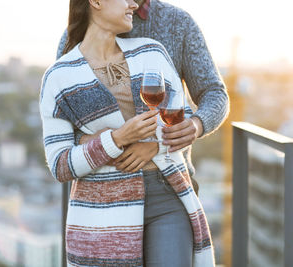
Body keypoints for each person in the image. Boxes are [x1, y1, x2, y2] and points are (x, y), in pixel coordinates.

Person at [40, 0, 214, 266]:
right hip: (103, 208)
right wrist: (118, 139)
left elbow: (182, 118)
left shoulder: (151, 53)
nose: (133, 3)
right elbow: (60, 164)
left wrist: (156, 145)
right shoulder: (58, 77)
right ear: (95, 2)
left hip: (165, 194)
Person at [56, 0, 230, 194]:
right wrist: (103, 140)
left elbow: (214, 92)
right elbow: (63, 121)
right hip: (101, 190)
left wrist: (194, 126)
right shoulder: (77, 36)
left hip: (169, 182)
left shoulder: (178, 23)